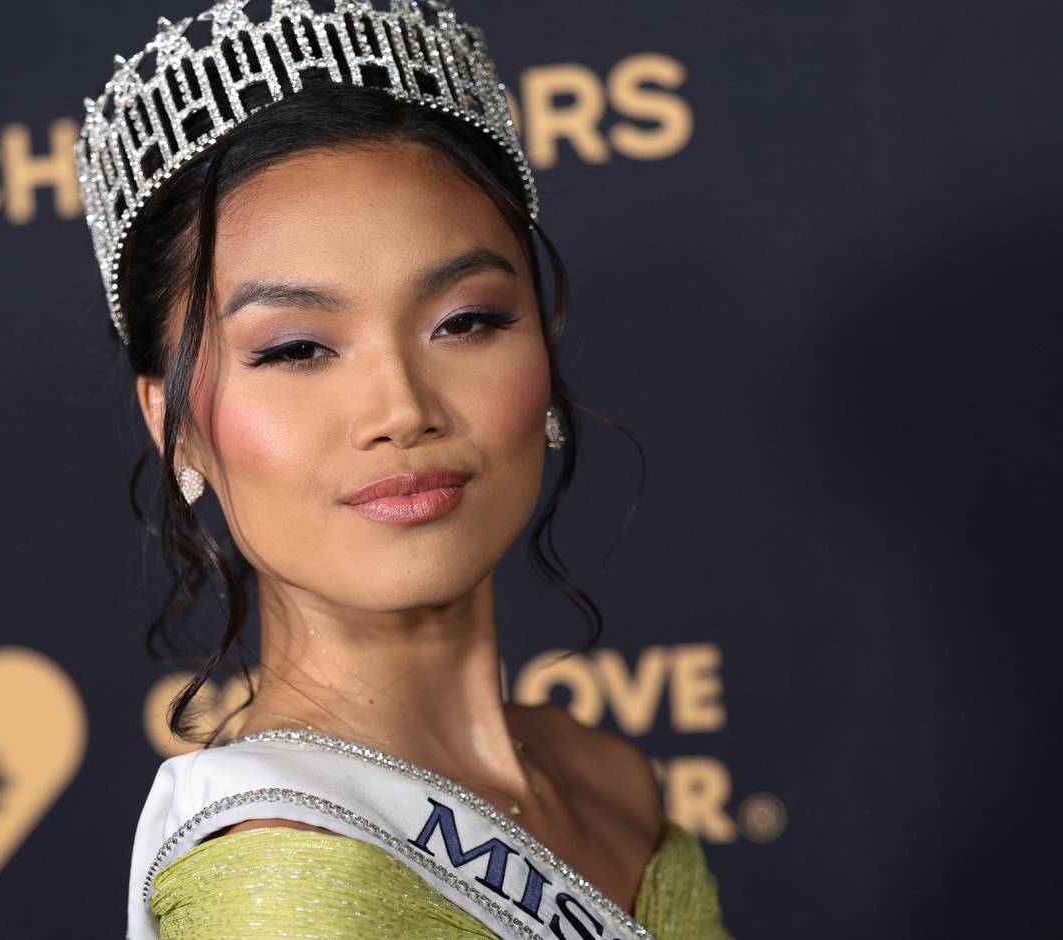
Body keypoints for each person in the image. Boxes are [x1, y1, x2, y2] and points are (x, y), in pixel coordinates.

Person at [76, 3, 733, 937]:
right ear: (175, 424)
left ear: (541, 350)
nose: (402, 410)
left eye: (465, 322)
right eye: (298, 348)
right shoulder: (284, 888)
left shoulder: (608, 777)